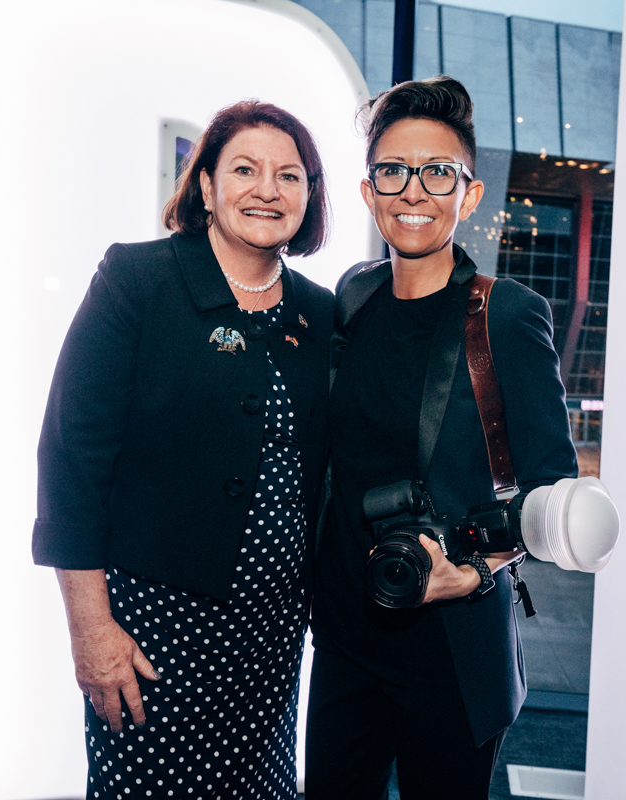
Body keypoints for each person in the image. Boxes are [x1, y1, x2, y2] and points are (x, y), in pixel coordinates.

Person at [32, 100, 335, 800]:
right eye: (245, 169)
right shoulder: (137, 282)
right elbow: (71, 461)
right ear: (204, 186)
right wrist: (90, 629)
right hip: (153, 633)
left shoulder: (319, 312)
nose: (268, 189)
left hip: (269, 638)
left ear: (309, 196)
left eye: (289, 176)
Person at [306, 76, 579, 799]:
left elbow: (549, 487)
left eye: (439, 171)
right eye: (393, 171)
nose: (414, 190)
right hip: (343, 636)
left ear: (470, 193)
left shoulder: (508, 316)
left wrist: (480, 568)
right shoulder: (353, 299)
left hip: (452, 650)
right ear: (369, 192)